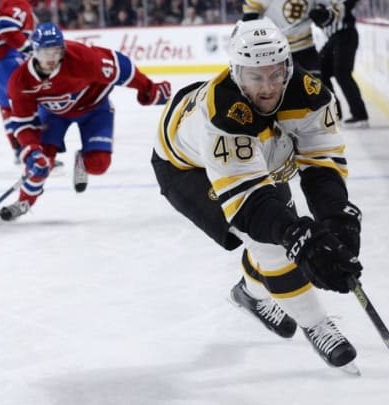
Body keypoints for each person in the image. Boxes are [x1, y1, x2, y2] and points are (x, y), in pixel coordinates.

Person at [151, 17, 364, 369]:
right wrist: (298, 237)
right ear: (236, 72)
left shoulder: (310, 95)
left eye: (275, 73)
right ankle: (317, 325)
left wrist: (336, 218)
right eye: (255, 76)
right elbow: (249, 201)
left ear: (288, 66)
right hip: (186, 168)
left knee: (284, 234)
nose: (267, 87)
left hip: (259, 150)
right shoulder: (221, 113)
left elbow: (322, 162)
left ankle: (248, 294)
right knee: (272, 239)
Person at [0, 22, 171, 221]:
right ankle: (24, 202)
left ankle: (81, 160)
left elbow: (119, 66)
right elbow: (23, 123)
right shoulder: (20, 81)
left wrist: (148, 88)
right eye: (46, 53)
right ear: (34, 52)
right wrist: (31, 150)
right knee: (41, 162)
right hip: (55, 116)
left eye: (56, 52)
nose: (52, 59)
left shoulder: (81, 58)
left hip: (95, 109)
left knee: (99, 165)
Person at [0, 0, 37, 163]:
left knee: (8, 107)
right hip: (3, 61)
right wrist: (30, 50)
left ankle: (20, 149)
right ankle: (35, 152)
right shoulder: (18, 2)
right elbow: (8, 27)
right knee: (30, 100)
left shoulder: (6, 5)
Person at [309, 0, 370, 127]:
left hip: (345, 34)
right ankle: (335, 113)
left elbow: (348, 4)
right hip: (334, 37)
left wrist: (326, 13)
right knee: (321, 72)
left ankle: (360, 116)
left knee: (342, 74)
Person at [241, 0, 332, 76]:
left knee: (317, 89)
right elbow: (251, 12)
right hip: (279, 53)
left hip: (307, 50)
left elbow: (329, 9)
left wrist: (323, 14)